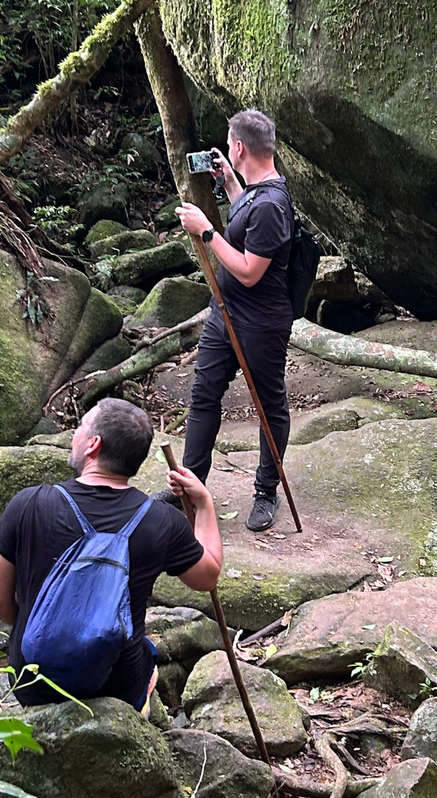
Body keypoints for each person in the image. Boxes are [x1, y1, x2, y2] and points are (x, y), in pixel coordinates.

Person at [0, 397, 222, 710]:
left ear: (93, 445)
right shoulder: (161, 520)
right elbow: (208, 576)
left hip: (33, 682)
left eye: (81, 427)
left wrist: (49, 631)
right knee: (146, 654)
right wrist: (204, 505)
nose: (75, 434)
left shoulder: (29, 504)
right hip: (116, 686)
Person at [173, 108, 294, 532]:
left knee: (269, 405)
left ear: (240, 147)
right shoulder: (256, 192)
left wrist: (207, 231)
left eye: (229, 145)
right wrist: (228, 181)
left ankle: (266, 492)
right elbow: (246, 219)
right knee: (204, 393)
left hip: (261, 322)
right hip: (224, 313)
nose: (227, 150)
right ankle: (190, 487)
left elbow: (248, 270)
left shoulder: (273, 204)